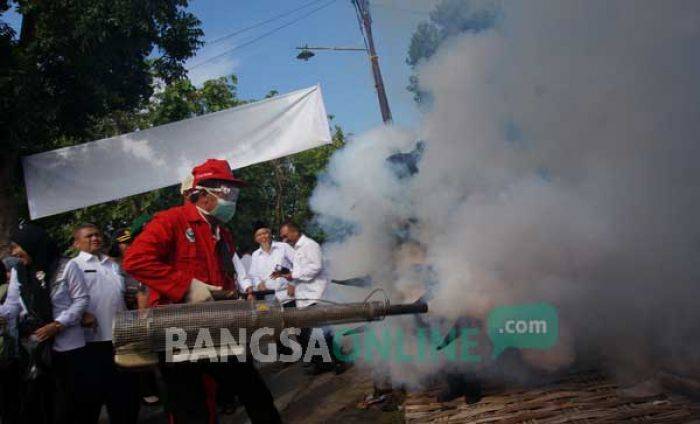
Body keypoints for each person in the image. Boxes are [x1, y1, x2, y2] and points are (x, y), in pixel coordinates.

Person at [123, 158, 280, 424]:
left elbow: (225, 277)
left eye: (234, 192)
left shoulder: (222, 232)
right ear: (204, 193)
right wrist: (186, 287)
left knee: (255, 393)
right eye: (227, 191)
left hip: (217, 324)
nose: (232, 198)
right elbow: (135, 260)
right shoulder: (171, 221)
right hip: (176, 329)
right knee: (190, 407)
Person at [0, 223, 89, 424]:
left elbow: (81, 300)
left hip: (67, 347)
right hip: (36, 349)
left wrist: (58, 325)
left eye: (17, 246)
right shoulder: (19, 272)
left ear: (32, 245)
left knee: (69, 404)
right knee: (42, 403)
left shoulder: (66, 266)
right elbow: (13, 304)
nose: (14, 252)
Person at [69, 223, 140, 423]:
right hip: (93, 342)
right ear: (76, 243)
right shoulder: (73, 266)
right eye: (89, 236)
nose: (95, 238)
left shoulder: (113, 264)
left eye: (97, 234)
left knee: (126, 396)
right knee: (93, 396)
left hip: (123, 337)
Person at [277, 221, 345, 374]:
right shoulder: (297, 249)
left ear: (295, 232)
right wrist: (291, 280)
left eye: (285, 236)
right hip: (305, 297)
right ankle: (323, 363)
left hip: (316, 295)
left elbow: (316, 267)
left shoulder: (310, 245)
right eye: (282, 237)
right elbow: (301, 271)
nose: (284, 240)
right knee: (311, 334)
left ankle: (338, 361)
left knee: (324, 332)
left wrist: (293, 275)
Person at [248, 221, 296, 306]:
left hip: (287, 296)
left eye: (265, 233)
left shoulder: (283, 247)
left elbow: (299, 264)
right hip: (268, 299)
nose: (263, 237)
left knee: (292, 319)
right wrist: (258, 284)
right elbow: (253, 275)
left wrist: (292, 283)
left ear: (270, 234)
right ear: (255, 239)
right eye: (259, 235)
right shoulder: (255, 255)